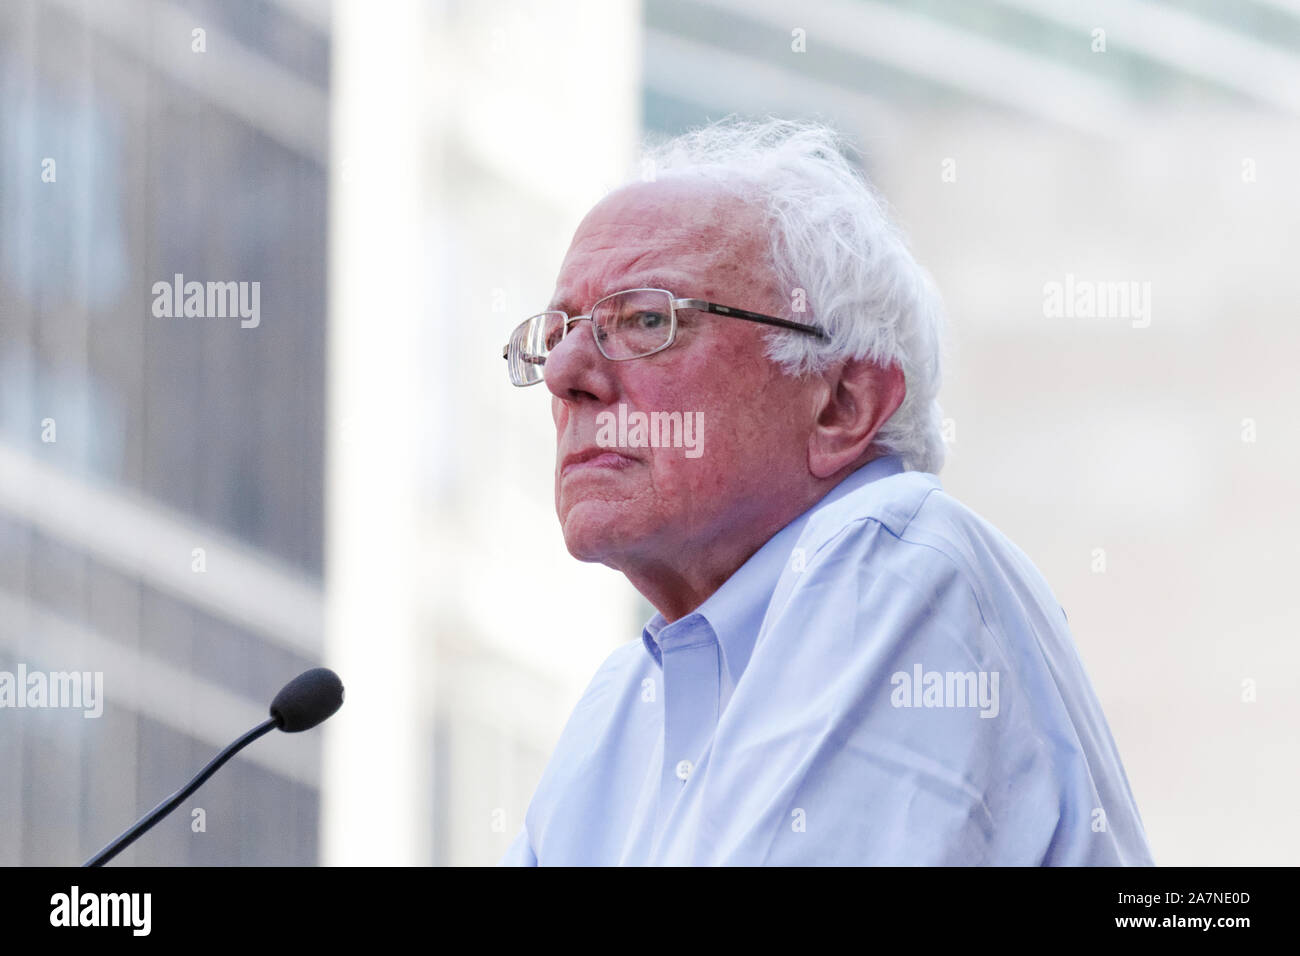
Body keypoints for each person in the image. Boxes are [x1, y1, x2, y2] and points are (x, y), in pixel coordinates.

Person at [497, 117, 1154, 866]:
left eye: (649, 320)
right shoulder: (619, 707)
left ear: (841, 404)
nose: (563, 374)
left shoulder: (895, 557)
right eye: (560, 333)